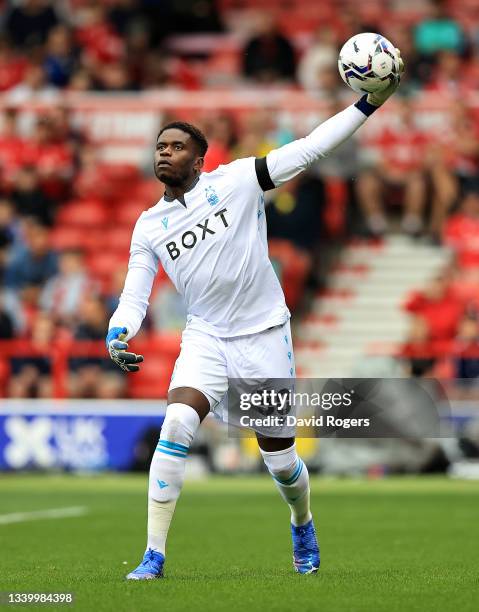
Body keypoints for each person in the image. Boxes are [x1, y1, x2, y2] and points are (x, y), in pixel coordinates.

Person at [106, 53, 404, 580]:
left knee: (280, 459)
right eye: (160, 146)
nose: (165, 153)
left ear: (199, 160)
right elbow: (135, 292)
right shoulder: (147, 226)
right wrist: (120, 328)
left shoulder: (241, 180)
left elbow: (311, 148)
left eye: (176, 147)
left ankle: (302, 520)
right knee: (175, 422)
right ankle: (153, 554)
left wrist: (367, 104)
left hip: (263, 334)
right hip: (206, 338)